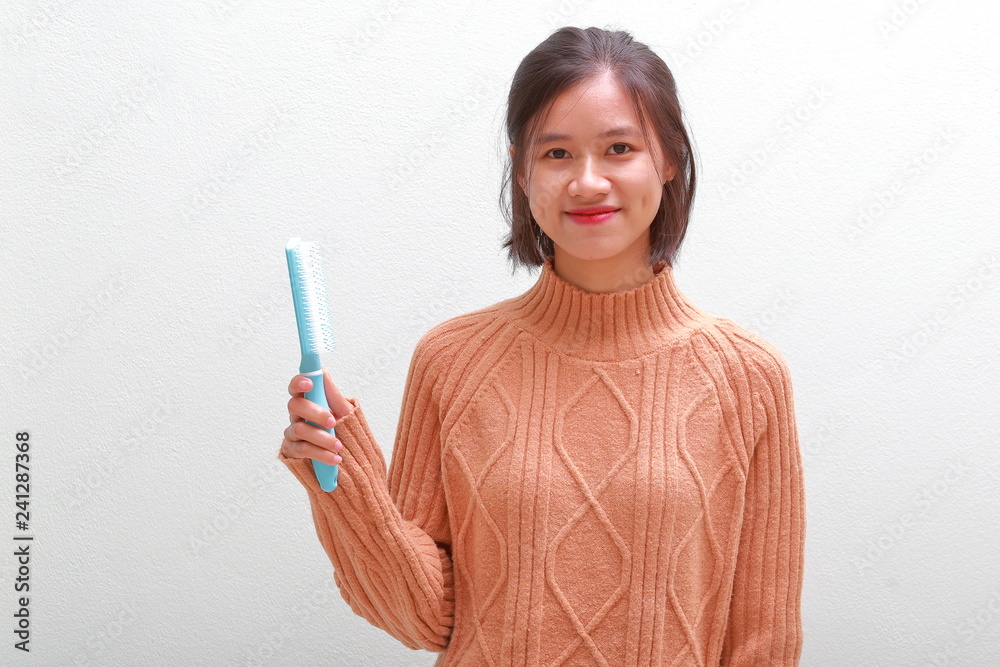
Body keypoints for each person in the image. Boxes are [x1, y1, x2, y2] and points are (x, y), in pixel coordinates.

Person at [278, 26, 806, 666]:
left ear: (669, 160)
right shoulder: (453, 360)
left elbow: (763, 643)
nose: (588, 182)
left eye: (618, 148)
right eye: (557, 153)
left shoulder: (749, 377)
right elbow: (422, 620)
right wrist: (342, 481)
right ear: (522, 170)